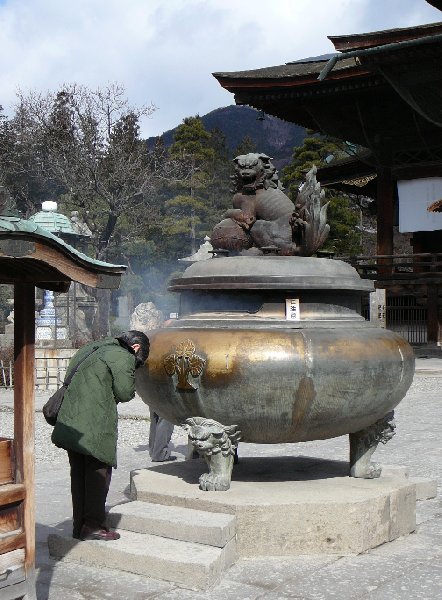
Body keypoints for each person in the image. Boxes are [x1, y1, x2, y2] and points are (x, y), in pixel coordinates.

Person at [51, 330, 150, 541]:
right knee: (98, 474)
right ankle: (94, 526)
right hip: (95, 423)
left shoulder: (91, 348)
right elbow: (125, 392)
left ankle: (80, 526)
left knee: (78, 475)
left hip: (70, 421)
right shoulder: (122, 356)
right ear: (136, 348)